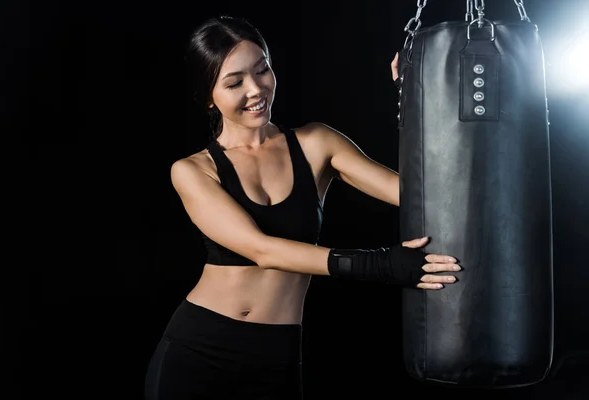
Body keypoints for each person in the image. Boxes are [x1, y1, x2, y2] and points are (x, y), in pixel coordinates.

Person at [144, 15, 461, 400]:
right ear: (210, 96)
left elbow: (420, 194)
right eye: (234, 82)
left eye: (262, 70)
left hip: (277, 353)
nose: (256, 88)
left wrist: (419, 98)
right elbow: (263, 250)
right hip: (200, 350)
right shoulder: (194, 171)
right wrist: (382, 264)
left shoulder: (315, 143)